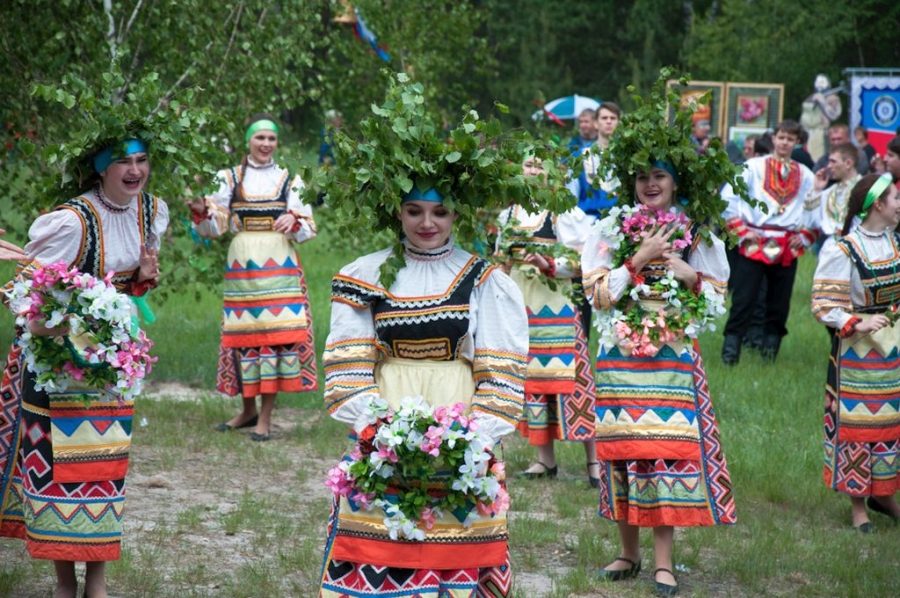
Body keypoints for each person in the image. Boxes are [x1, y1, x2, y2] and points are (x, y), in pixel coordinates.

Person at [319, 190, 528, 596]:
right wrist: (374, 425)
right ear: (396, 212)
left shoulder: (483, 278)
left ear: (456, 214)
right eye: (414, 211)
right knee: (382, 525)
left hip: (458, 411)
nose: (426, 223)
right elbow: (350, 362)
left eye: (440, 212)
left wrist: (478, 433)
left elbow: (500, 366)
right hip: (388, 410)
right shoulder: (367, 274)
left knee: (454, 523)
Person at [0, 138, 169, 598]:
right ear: (100, 169)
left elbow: (131, 286)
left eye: (141, 160)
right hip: (57, 362)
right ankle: (62, 584)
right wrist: (51, 323)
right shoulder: (72, 221)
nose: (135, 171)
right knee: (56, 466)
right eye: (122, 162)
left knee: (103, 465)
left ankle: (96, 582)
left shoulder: (151, 211)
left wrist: (142, 278)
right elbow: (28, 294)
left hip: (111, 361)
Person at [583, 161, 736, 596]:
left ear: (675, 182)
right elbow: (597, 295)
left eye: (660, 176)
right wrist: (639, 259)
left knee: (665, 451)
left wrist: (690, 277)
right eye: (641, 177)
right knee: (624, 449)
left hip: (672, 355)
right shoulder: (610, 229)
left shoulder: (695, 231)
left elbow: (717, 297)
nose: (650, 185)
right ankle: (627, 554)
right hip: (621, 354)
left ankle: (664, 563)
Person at [189, 114, 318, 442]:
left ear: (277, 143)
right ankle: (247, 411)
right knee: (244, 335)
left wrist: (294, 219)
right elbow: (212, 228)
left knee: (274, 337)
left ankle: (265, 418)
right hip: (243, 262)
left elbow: (309, 229)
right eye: (259, 138)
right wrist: (199, 210)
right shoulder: (228, 178)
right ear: (248, 141)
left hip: (278, 263)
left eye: (271, 139)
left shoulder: (290, 180)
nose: (265, 144)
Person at [497, 158, 598, 485]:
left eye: (541, 166)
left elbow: (586, 258)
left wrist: (549, 262)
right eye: (528, 164)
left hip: (558, 308)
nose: (533, 171)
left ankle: (594, 462)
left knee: (573, 382)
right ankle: (545, 459)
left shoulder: (564, 212)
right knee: (535, 383)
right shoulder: (509, 214)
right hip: (522, 309)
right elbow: (500, 259)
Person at [811, 173, 900, 532]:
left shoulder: (895, 243)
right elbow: (822, 304)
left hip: (893, 346)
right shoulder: (843, 249)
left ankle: (884, 494)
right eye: (896, 197)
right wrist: (855, 322)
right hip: (856, 353)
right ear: (878, 204)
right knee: (858, 423)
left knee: (891, 423)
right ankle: (858, 505)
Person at [721, 119, 817, 364]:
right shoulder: (753, 166)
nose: (785, 142)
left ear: (797, 143)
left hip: (786, 243)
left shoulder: (805, 174)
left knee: (779, 302)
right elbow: (730, 197)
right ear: (774, 138)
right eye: (781, 137)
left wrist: (804, 235)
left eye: (790, 139)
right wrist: (741, 229)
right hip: (755, 238)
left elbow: (813, 208)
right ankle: (730, 352)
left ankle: (769, 354)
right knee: (744, 298)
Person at [567, 102, 622, 221]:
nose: (609, 121)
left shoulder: (626, 157)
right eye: (604, 118)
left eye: (613, 118)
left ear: (618, 123)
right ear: (596, 123)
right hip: (587, 222)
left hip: (621, 223)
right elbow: (571, 197)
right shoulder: (579, 156)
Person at [805, 143, 862, 239]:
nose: (829, 166)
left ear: (848, 163)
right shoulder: (830, 192)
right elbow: (812, 222)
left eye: (833, 162)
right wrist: (817, 189)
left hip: (856, 245)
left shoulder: (865, 188)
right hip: (831, 246)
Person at [800, 74, 842, 163]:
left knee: (818, 159)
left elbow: (834, 115)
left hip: (820, 132)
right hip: (806, 132)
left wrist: (823, 102)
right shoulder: (810, 98)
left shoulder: (832, 98)